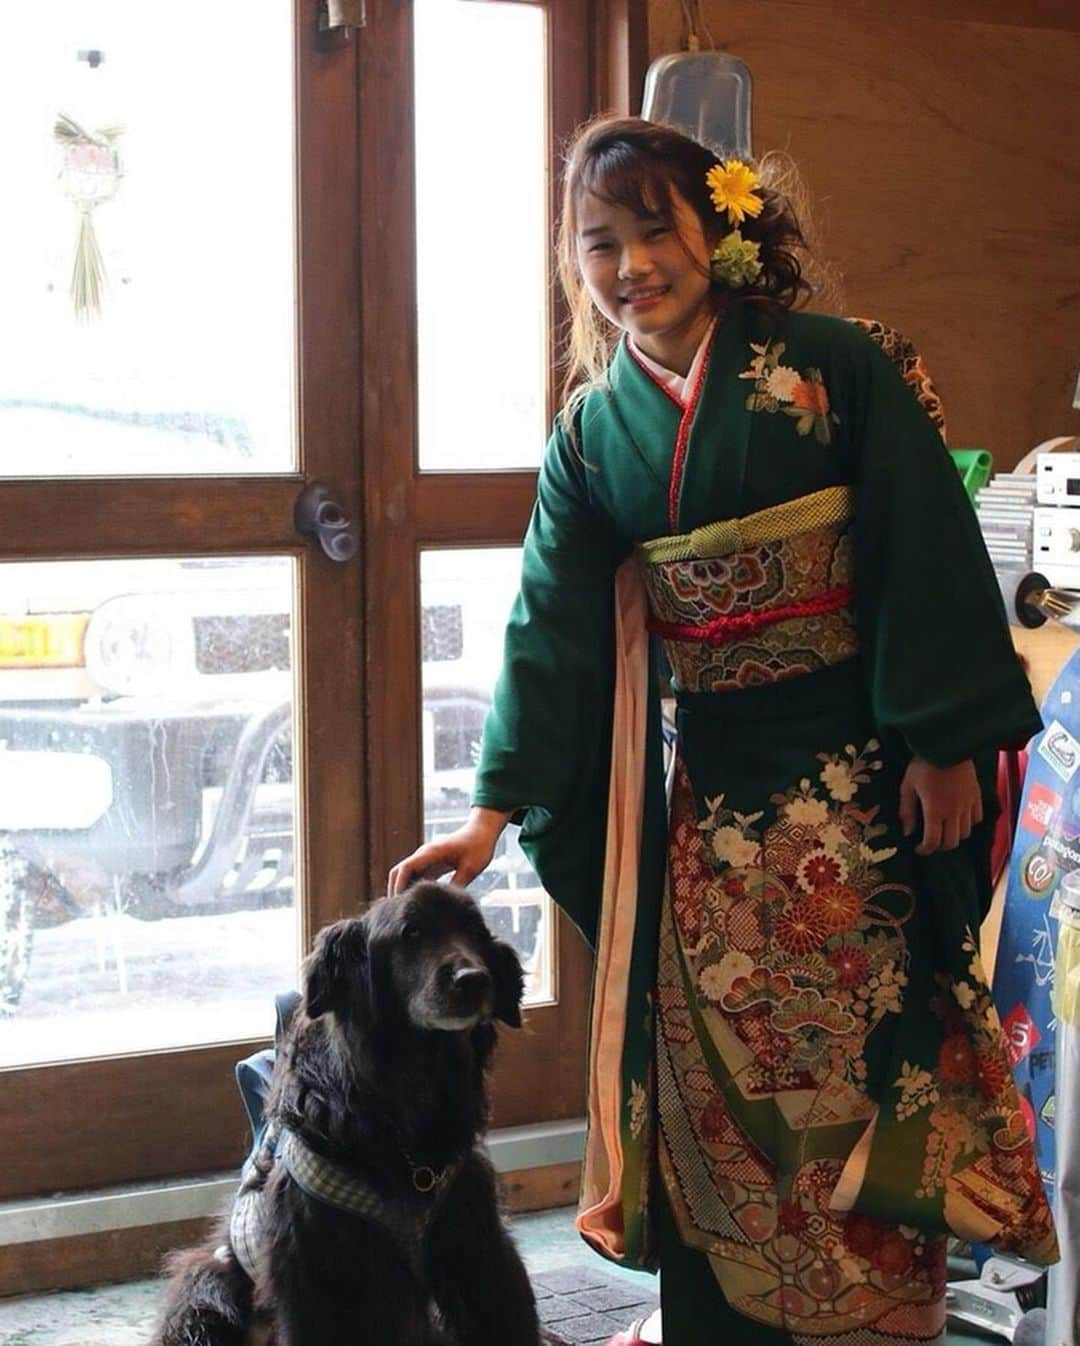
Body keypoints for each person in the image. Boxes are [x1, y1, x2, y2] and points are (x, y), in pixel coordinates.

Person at [390, 116, 1058, 1345]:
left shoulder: (837, 367)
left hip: (862, 791)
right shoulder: (596, 431)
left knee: (866, 1064)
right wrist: (493, 810)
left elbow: (923, 540)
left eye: (658, 229)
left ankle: (872, 1317)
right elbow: (553, 624)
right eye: (602, 242)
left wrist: (942, 738)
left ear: (721, 229)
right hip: (714, 813)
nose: (631, 264)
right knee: (712, 1069)